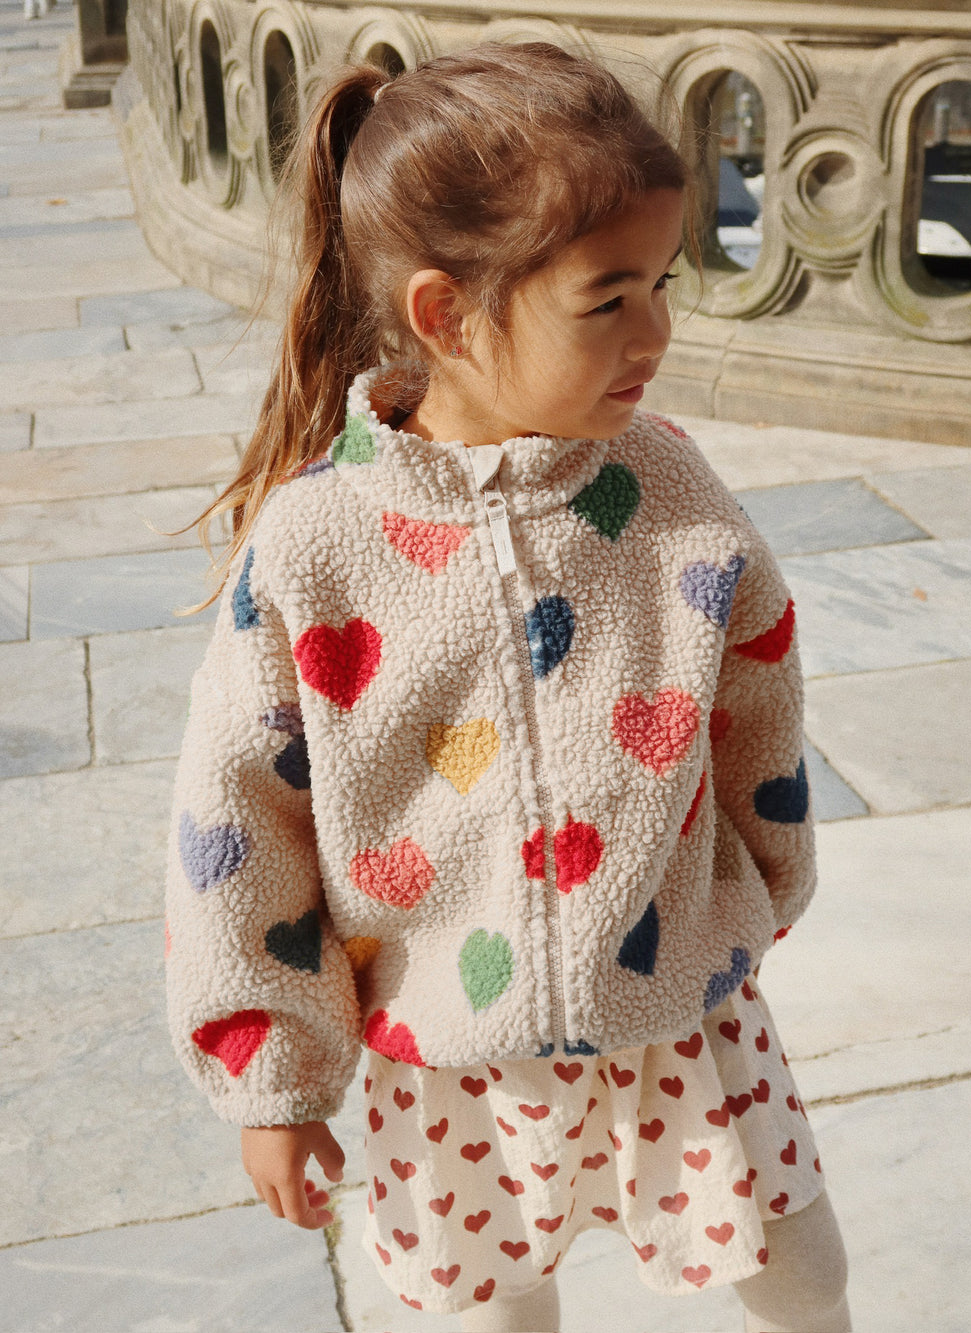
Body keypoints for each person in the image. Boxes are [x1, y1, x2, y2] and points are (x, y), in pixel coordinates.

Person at [165, 42, 850, 1333]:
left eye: (661, 282)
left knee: (805, 1281)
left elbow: (758, 691)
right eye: (608, 297)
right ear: (444, 315)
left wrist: (756, 887)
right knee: (494, 1315)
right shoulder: (315, 543)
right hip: (448, 1054)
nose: (655, 331)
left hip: (678, 1013)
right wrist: (273, 1074)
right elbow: (238, 819)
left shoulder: (669, 486)